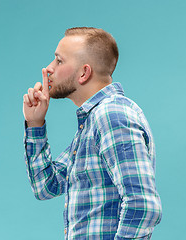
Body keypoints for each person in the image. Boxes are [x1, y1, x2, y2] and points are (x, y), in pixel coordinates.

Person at [22, 27, 162, 239]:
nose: (49, 69)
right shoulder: (92, 122)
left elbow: (142, 206)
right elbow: (46, 186)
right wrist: (35, 123)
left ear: (84, 73)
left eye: (59, 61)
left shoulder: (112, 115)